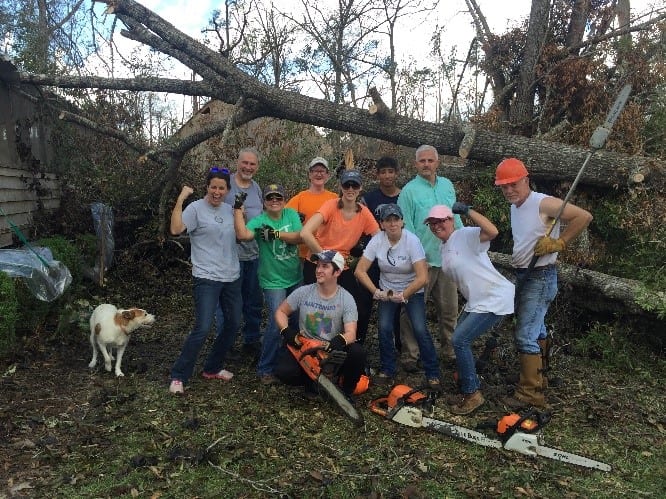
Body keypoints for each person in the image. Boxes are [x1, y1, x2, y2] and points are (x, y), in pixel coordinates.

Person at [495, 158, 593, 408]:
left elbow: (583, 216)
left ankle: (530, 394)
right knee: (536, 329)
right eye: (504, 186)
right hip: (525, 274)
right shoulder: (515, 206)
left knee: (524, 334)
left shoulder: (543, 202)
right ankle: (540, 378)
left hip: (541, 275)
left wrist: (560, 243)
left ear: (526, 180)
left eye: (513, 184)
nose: (509, 190)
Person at [426, 203, 514, 414]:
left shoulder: (464, 235)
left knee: (459, 340)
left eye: (441, 221)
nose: (437, 226)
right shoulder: (443, 246)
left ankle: (472, 393)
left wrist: (467, 211)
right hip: (477, 301)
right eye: (432, 223)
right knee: (459, 339)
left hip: (495, 298)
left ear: (451, 220)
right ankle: (468, 380)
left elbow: (492, 231)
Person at [168, 168, 242, 394]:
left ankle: (212, 367)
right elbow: (175, 229)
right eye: (213, 187)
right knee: (203, 327)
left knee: (233, 324)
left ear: (227, 190)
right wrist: (181, 198)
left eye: (221, 188)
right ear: (207, 187)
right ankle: (179, 376)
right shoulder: (196, 208)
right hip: (206, 277)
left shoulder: (231, 210)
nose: (217, 192)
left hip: (231, 276)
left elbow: (241, 235)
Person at [355, 204, 441, 389]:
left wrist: (405, 295)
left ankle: (433, 372)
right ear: (382, 223)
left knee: (419, 328)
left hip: (411, 289)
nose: (392, 223)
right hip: (387, 290)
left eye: (396, 219)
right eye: (388, 220)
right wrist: (375, 292)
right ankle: (388, 369)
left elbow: (423, 277)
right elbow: (360, 270)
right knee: (384, 327)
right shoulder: (377, 240)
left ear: (402, 221)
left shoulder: (412, 241)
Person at [397, 145, 462, 370]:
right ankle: (410, 356)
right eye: (422, 161)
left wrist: (461, 245)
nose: (426, 164)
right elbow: (406, 227)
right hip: (420, 263)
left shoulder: (447, 186)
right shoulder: (409, 191)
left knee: (449, 309)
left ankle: (450, 351)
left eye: (430, 160)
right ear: (416, 164)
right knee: (412, 311)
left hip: (447, 259)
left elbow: (456, 219)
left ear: (437, 162)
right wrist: (417, 258)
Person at [274, 250, 367, 403]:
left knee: (358, 353)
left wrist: (341, 339)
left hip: (331, 348)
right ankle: (312, 383)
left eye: (325, 267)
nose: (318, 270)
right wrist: (286, 331)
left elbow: (351, 333)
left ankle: (346, 391)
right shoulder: (304, 292)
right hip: (307, 346)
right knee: (284, 372)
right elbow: (281, 311)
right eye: (318, 266)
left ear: (337, 271)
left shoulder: (346, 298)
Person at [299, 169, 380, 344]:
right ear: (341, 187)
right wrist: (323, 256)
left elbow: (378, 238)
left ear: (360, 188)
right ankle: (311, 346)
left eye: (355, 185)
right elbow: (306, 233)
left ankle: (353, 344)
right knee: (316, 308)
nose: (350, 189)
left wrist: (364, 256)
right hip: (317, 263)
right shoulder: (331, 205)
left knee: (359, 306)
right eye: (347, 185)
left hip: (341, 265)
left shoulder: (363, 212)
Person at [233, 184, 303, 385]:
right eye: (270, 198)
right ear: (264, 202)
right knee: (276, 323)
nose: (274, 201)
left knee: (298, 321)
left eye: (278, 197)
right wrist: (238, 209)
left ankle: (292, 361)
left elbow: (299, 237)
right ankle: (266, 367)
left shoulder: (290, 215)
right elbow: (243, 235)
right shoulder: (260, 220)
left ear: (284, 199)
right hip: (273, 281)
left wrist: (275, 234)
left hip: (295, 277)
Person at [217, 147, 264, 359]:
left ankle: (251, 340)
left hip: (253, 255)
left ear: (257, 167)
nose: (248, 167)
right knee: (228, 302)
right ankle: (224, 343)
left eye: (252, 164)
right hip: (229, 255)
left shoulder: (257, 188)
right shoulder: (226, 187)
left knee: (253, 300)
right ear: (238, 163)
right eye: (244, 163)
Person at [360, 156, 402, 352]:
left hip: (398, 259)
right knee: (366, 300)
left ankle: (399, 344)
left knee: (397, 304)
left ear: (396, 173)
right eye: (383, 172)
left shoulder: (404, 196)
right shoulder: (369, 198)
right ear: (377, 175)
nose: (387, 176)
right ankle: (358, 340)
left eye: (390, 171)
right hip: (373, 257)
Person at [285, 156, 339, 269]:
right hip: (302, 257)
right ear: (310, 174)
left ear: (327, 175)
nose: (319, 174)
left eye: (322, 171)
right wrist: (294, 221)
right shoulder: (300, 198)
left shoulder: (335, 199)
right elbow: (282, 220)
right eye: (315, 171)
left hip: (328, 255)